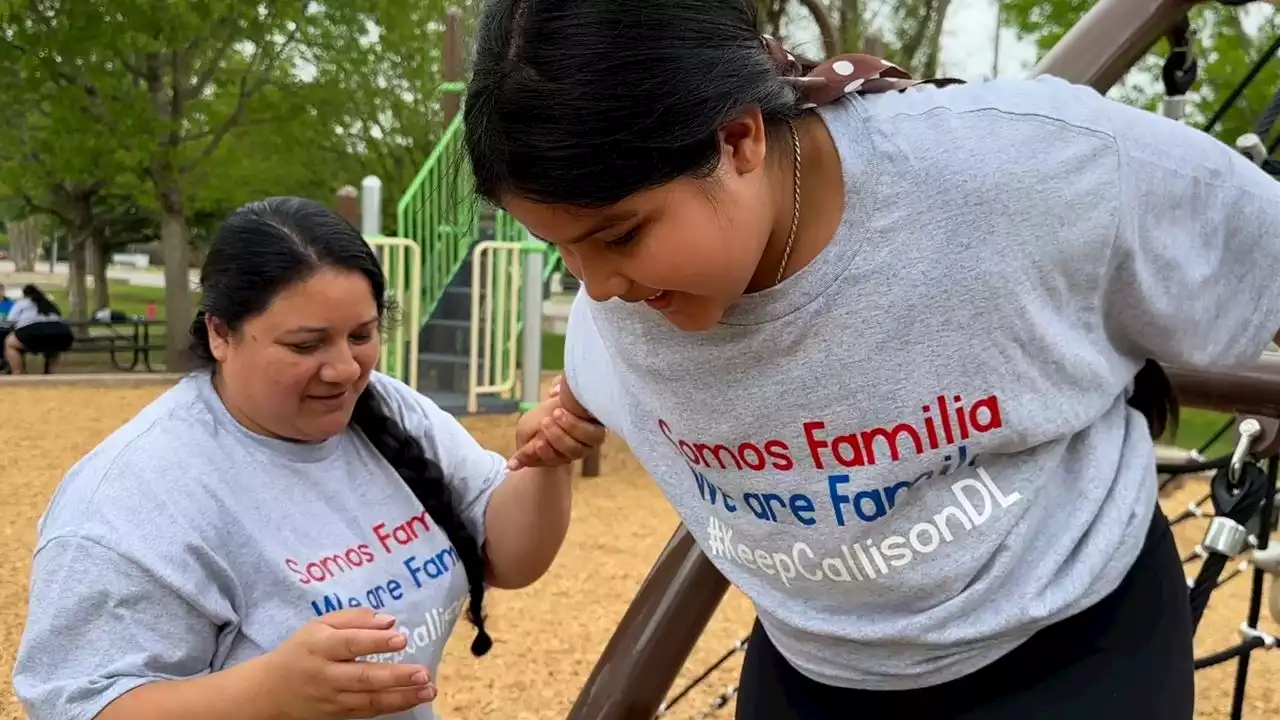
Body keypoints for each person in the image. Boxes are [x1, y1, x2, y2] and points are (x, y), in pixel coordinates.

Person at [464, 2, 1280, 718]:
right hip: (815, 664)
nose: (599, 288)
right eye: (560, 250)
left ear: (739, 137)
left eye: (619, 235)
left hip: (1064, 637)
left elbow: (1256, 247)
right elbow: (595, 376)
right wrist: (570, 417)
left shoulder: (1025, 170)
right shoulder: (622, 310)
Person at [11, 197, 607, 720]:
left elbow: (509, 557)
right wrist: (266, 693)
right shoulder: (133, 499)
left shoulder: (389, 408)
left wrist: (545, 458)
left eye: (361, 334)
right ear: (221, 333)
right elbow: (77, 704)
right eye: (305, 344)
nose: (345, 369)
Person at [3, 284, 74, 375]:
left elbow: (11, 321)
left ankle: (17, 372)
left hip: (33, 331)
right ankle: (49, 372)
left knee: (10, 343)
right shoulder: (49, 303)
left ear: (25, 294)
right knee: (52, 343)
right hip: (62, 333)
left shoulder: (22, 303)